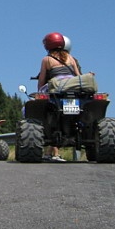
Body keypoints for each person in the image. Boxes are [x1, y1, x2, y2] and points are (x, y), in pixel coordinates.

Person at [38, 32, 81, 162]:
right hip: (73, 89)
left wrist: (39, 92)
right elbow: (78, 76)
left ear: (47, 45)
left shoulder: (46, 60)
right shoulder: (70, 57)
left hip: (57, 91)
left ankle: (48, 148)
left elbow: (42, 79)